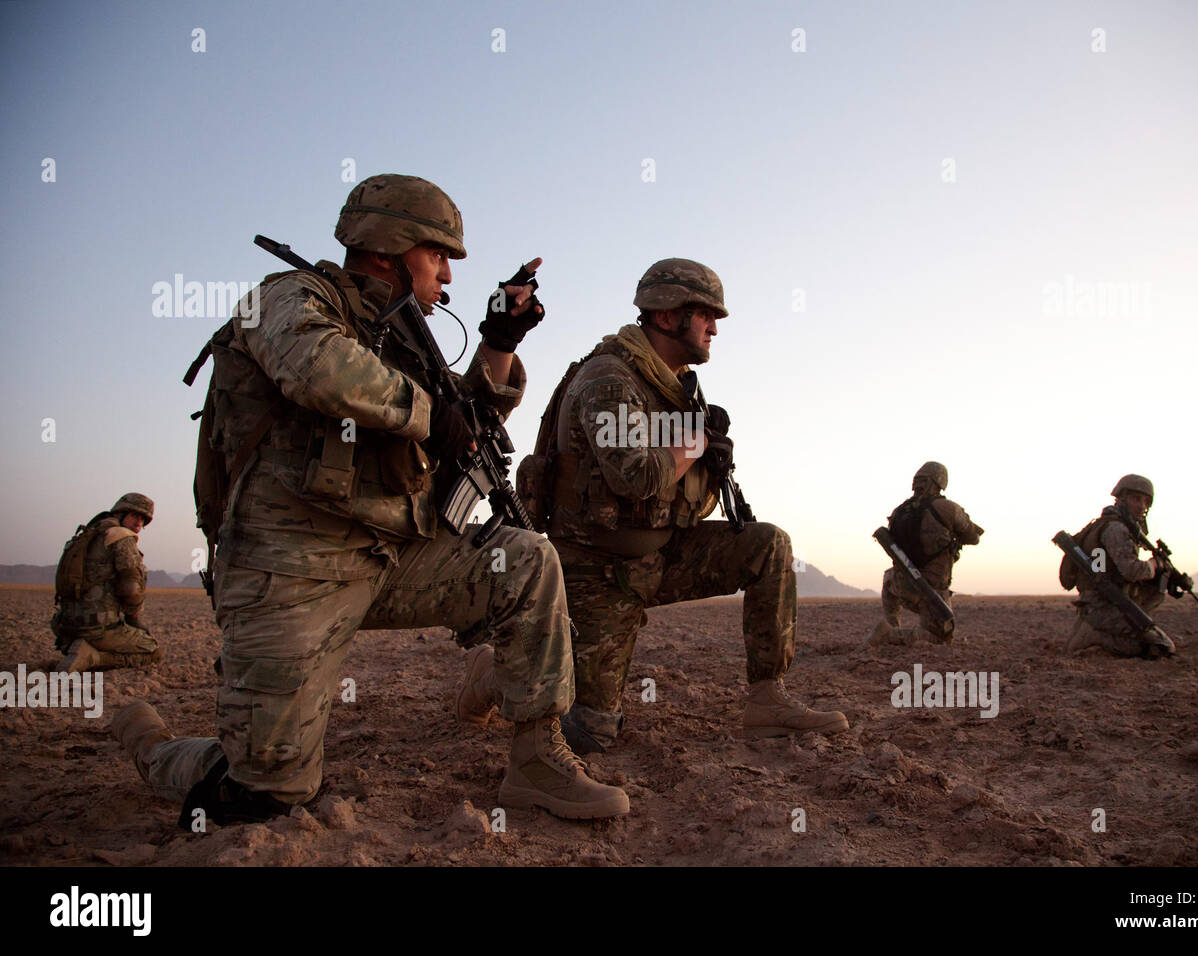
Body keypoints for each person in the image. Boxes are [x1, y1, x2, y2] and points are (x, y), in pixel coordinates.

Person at [109, 174, 629, 824]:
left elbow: (464, 422)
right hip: (288, 575)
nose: (446, 274)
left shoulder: (402, 338)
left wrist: (498, 342)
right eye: (438, 255)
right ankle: (153, 745)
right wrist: (428, 412)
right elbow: (317, 367)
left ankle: (537, 761)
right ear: (391, 246)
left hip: (389, 557)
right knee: (266, 795)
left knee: (525, 560)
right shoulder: (285, 299)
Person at [459, 257, 848, 755]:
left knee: (767, 546)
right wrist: (693, 443)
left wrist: (708, 454)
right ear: (666, 316)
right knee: (592, 732)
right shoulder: (609, 379)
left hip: (659, 555)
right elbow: (638, 477)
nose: (714, 327)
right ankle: (489, 674)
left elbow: (681, 492)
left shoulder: (676, 385)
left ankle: (768, 699)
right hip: (596, 571)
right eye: (705, 314)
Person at [1062, 474, 1178, 658]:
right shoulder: (1117, 528)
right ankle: (1095, 637)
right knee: (1161, 648)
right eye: (1136, 499)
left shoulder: (1105, 525)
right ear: (1121, 499)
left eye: (1146, 501)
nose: (1142, 505)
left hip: (1099, 603)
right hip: (1104, 605)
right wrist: (1155, 564)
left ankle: (1092, 631)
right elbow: (1132, 570)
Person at [869, 462, 982, 647]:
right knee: (941, 637)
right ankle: (890, 635)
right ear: (940, 482)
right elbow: (973, 537)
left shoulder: (899, 512)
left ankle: (891, 625)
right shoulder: (948, 508)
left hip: (899, 584)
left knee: (888, 576)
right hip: (931, 591)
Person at [52, 492, 161, 672]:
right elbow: (132, 588)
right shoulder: (121, 537)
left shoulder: (89, 533)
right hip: (97, 628)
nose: (138, 523)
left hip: (66, 625)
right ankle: (93, 657)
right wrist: (134, 617)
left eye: (143, 519)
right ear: (121, 513)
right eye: (134, 515)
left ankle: (78, 647)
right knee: (154, 651)